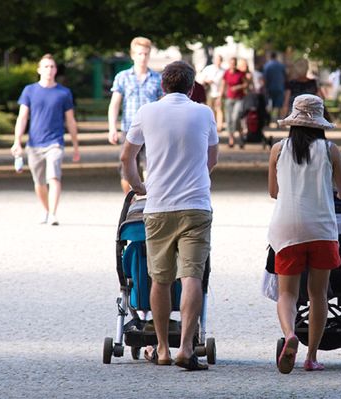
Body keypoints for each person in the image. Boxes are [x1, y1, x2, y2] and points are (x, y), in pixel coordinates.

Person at [120, 60, 219, 371]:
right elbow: (211, 158)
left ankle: (162, 347)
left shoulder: (147, 112)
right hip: (195, 205)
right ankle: (186, 348)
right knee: (192, 276)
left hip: (159, 205)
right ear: (191, 88)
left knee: (160, 279)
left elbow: (127, 156)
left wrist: (139, 186)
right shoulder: (204, 112)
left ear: (162, 86)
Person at [267, 94, 341, 374]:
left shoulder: (278, 149)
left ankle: (290, 334)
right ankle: (311, 356)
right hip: (321, 229)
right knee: (318, 294)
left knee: (287, 294)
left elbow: (274, 192)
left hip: (286, 228)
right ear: (319, 122)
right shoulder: (330, 150)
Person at [11, 54, 80, 226]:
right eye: (46, 67)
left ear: (56, 70)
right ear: (39, 70)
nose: (49, 70)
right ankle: (46, 209)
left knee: (54, 177)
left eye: (52, 67)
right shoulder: (30, 90)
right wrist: (17, 141)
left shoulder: (63, 93)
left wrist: (75, 145)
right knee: (39, 182)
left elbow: (70, 120)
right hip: (34, 144)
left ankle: (53, 214)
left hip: (55, 143)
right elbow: (22, 117)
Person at [108, 37, 163, 194]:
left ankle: (148, 201)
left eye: (146, 54)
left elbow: (162, 105)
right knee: (126, 166)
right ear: (133, 55)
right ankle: (129, 200)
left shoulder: (157, 79)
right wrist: (112, 128)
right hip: (129, 128)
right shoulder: (123, 77)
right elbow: (115, 104)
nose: (143, 57)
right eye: (139, 54)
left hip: (152, 130)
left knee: (151, 167)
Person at [219, 57, 247, 148]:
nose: (233, 65)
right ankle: (231, 139)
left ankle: (241, 136)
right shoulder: (226, 73)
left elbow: (246, 84)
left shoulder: (240, 73)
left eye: (234, 63)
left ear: (236, 64)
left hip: (239, 98)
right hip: (229, 98)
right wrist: (220, 97)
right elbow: (223, 85)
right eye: (231, 63)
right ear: (229, 64)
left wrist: (238, 87)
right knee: (229, 120)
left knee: (236, 117)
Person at [200, 54, 225, 131]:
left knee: (219, 109)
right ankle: (212, 125)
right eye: (217, 60)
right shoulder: (208, 68)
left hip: (219, 93)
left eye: (219, 60)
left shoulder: (223, 71)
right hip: (209, 92)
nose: (218, 62)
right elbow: (201, 79)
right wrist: (207, 81)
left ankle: (219, 126)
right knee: (210, 109)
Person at [263, 52, 286, 125]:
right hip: (280, 87)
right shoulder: (280, 65)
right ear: (276, 57)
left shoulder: (267, 66)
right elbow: (285, 76)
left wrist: (265, 87)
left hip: (269, 88)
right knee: (279, 105)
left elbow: (265, 78)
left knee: (269, 105)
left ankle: (269, 120)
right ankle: (278, 122)